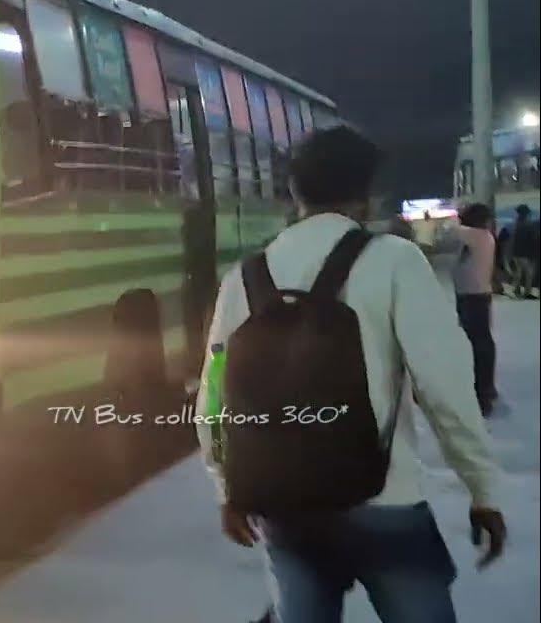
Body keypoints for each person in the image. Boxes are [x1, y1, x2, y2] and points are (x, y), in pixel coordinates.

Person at [197, 127, 505, 622]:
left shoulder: (246, 276)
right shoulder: (394, 261)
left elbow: (214, 396)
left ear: (294, 193)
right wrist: (483, 491)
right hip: (384, 499)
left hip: (284, 505)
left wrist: (228, 488)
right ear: (368, 194)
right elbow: (445, 387)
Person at [454, 203, 499, 415]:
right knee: (482, 343)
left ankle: (483, 394)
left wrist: (455, 214)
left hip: (472, 297)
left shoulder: (475, 235)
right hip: (478, 296)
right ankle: (487, 389)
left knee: (478, 345)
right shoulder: (483, 236)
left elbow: (449, 228)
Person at [507, 205, 539, 299]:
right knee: (528, 273)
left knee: (519, 272)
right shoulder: (527, 224)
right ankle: (526, 292)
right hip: (524, 253)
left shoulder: (517, 224)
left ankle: (515, 290)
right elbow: (533, 239)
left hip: (517, 253)